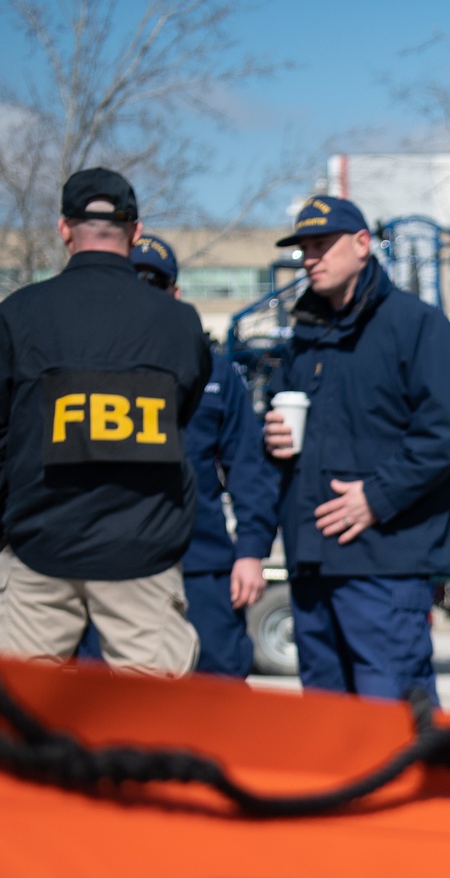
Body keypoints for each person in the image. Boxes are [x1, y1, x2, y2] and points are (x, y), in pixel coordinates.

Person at [0, 168, 210, 674]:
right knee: (151, 727)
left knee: (17, 719)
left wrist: (2, 511)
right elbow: (183, 411)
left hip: (40, 544)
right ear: (136, 230)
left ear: (64, 229)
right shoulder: (179, 323)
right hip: (143, 552)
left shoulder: (19, 315)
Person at [262, 196, 450, 701]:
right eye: (304, 248)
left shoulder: (414, 324)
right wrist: (270, 434)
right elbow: (286, 434)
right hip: (311, 561)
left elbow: (447, 428)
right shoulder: (304, 337)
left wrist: (376, 497)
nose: (310, 258)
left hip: (385, 564)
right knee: (327, 728)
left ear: (362, 245)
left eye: (322, 245)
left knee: (393, 716)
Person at [130, 234, 278, 678]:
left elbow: (248, 466)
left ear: (175, 293)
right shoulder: (96, 362)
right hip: (119, 562)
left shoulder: (216, 371)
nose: (144, 295)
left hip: (203, 562)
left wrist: (251, 552)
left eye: (154, 284)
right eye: (133, 281)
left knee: (220, 688)